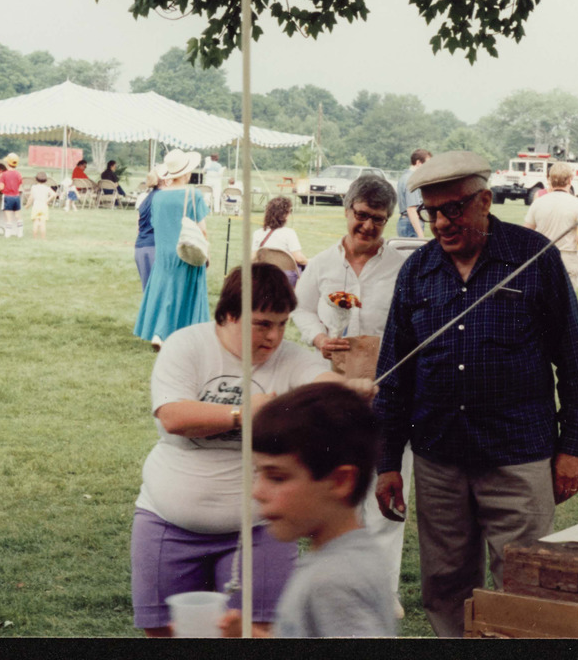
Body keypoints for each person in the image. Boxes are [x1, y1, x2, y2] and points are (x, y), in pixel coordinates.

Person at [372, 150, 578, 637]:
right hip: (438, 459)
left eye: (453, 209)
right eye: (431, 212)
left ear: (485, 201)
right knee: (446, 583)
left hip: (519, 455)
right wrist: (388, 460)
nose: (441, 223)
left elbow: (575, 365)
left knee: (526, 586)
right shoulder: (417, 271)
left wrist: (572, 449)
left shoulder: (535, 257)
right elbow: (395, 372)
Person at [130, 263, 376, 637]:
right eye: (262, 323)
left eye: (282, 323)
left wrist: (345, 389)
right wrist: (242, 414)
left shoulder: (291, 358)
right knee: (165, 633)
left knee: (254, 632)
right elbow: (174, 417)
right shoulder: (187, 345)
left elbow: (318, 382)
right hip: (167, 522)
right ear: (229, 313)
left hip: (259, 528)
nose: (275, 336)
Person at [293, 174, 410, 617]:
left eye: (377, 220)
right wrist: (318, 337)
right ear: (347, 210)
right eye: (361, 216)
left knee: (387, 486)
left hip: (388, 387)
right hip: (335, 389)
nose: (367, 227)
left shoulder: (401, 266)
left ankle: (384, 590)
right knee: (337, 485)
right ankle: (335, 584)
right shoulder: (323, 264)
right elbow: (301, 308)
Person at [219, 381, 397, 638]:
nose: (257, 491)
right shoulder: (350, 555)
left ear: (340, 482)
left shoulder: (333, 582)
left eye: (277, 477)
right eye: (258, 473)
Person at [133, 149, 210, 350]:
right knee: (186, 294)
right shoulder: (194, 194)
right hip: (186, 251)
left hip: (164, 254)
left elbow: (156, 225)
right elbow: (202, 230)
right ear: (186, 173)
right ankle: (187, 336)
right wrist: (207, 254)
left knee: (164, 293)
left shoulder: (157, 198)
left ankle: (158, 334)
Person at [522, 161, 578, 285]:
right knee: (564, 303)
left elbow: (525, 235)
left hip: (542, 258)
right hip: (566, 259)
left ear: (549, 180)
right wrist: (575, 237)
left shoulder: (538, 203)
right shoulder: (577, 204)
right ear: (570, 180)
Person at [252, 197, 308, 287]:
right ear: (284, 215)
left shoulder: (257, 233)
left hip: (265, 275)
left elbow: (253, 258)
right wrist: (309, 261)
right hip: (286, 277)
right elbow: (299, 259)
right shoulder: (289, 233)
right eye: (289, 211)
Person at [134, 170, 162, 290]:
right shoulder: (162, 198)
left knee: (148, 292)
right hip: (154, 246)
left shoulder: (143, 198)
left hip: (140, 246)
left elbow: (138, 226)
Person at [395, 148, 431, 238]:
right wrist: (421, 236)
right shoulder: (412, 180)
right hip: (411, 224)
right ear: (418, 163)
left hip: (406, 222)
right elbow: (411, 210)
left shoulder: (404, 177)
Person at [0, 152, 25, 238]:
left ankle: (8, 233)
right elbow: (20, 183)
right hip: (16, 197)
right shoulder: (18, 174)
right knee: (17, 215)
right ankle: (20, 232)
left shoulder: (4, 174)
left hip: (8, 197)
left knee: (8, 217)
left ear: (8, 163)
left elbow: (1, 187)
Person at [25, 171, 57, 239]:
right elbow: (54, 194)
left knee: (36, 222)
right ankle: (43, 238)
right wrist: (47, 200)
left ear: (36, 179)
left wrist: (27, 205)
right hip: (44, 206)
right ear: (46, 180)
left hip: (36, 206)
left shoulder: (34, 187)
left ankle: (35, 238)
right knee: (43, 223)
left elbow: (31, 198)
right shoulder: (47, 188)